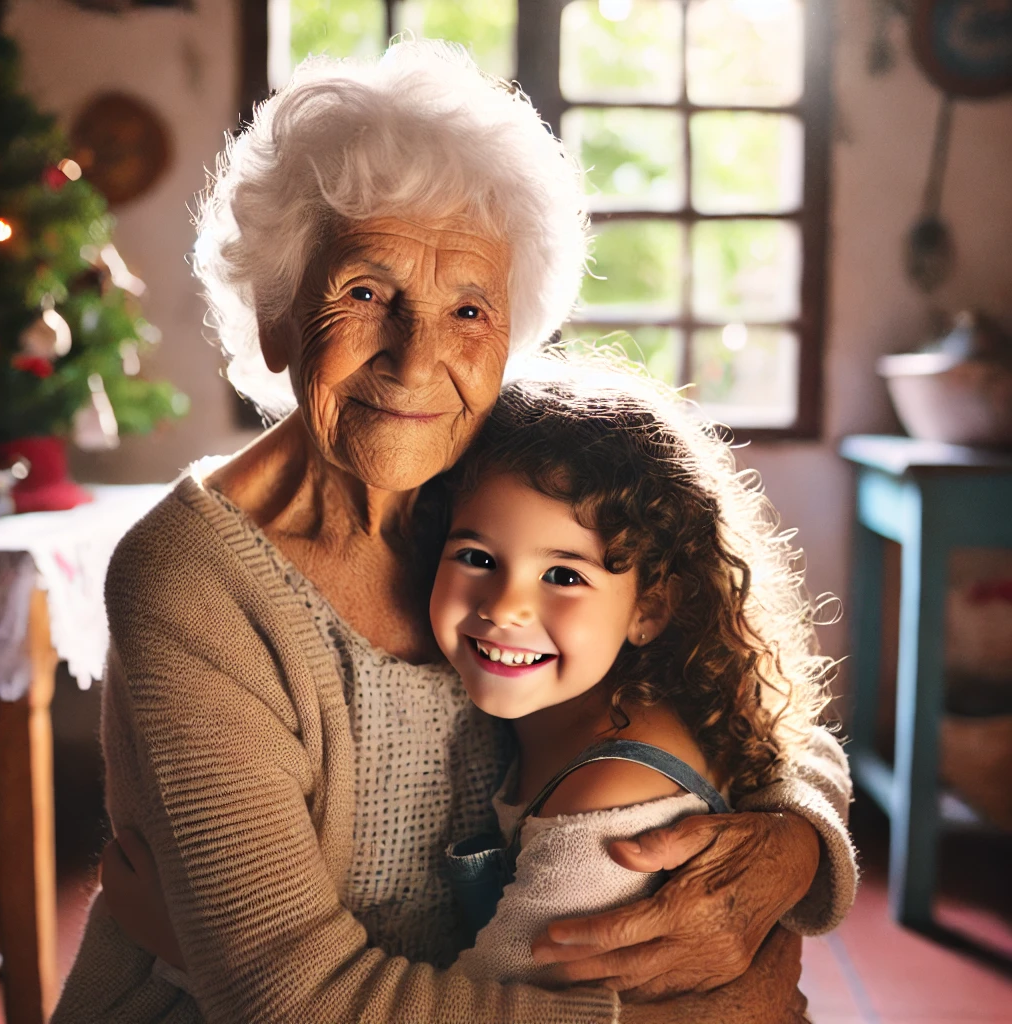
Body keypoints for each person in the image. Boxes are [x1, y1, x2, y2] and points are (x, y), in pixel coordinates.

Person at [53, 40, 856, 1024]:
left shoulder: (500, 473)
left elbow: (745, 689)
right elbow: (291, 999)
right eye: (364, 293)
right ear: (275, 312)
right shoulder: (191, 582)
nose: (417, 359)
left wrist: (793, 845)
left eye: (469, 308)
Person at [426, 355, 840, 988]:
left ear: (648, 609)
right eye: (477, 557)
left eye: (563, 575)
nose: (506, 607)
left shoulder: (610, 802)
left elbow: (491, 1001)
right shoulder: (583, 707)